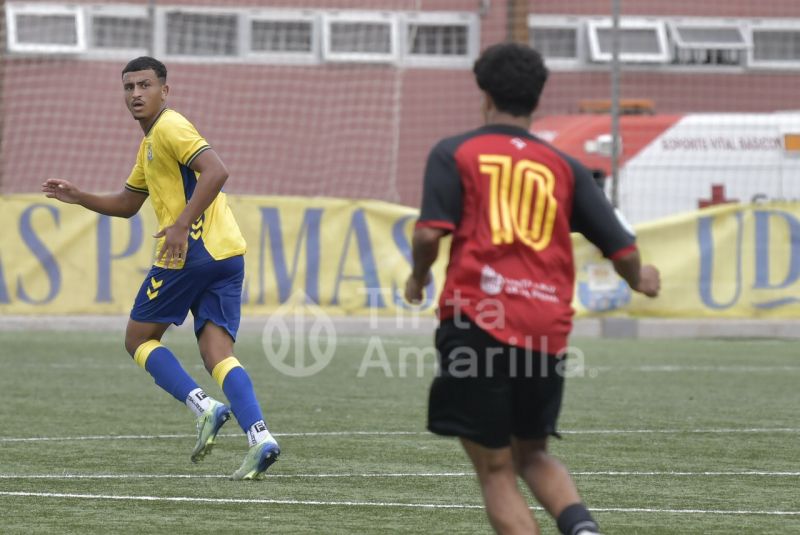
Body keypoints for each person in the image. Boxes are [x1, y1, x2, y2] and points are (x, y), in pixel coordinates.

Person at [405, 43, 660, 535]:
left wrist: (418, 277)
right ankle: (583, 529)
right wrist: (641, 281)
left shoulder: (455, 151)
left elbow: (427, 233)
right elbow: (624, 252)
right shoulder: (565, 167)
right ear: (537, 99)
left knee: (496, 469)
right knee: (535, 453)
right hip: (546, 327)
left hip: (478, 320)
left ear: (484, 95)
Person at [42, 56, 280, 480]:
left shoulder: (171, 127)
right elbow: (129, 203)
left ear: (164, 91)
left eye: (145, 85)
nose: (136, 94)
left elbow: (217, 171)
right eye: (129, 87)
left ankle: (204, 407)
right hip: (227, 254)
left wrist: (181, 226)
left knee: (137, 338)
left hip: (189, 253)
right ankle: (260, 437)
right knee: (217, 353)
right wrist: (81, 196)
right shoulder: (150, 144)